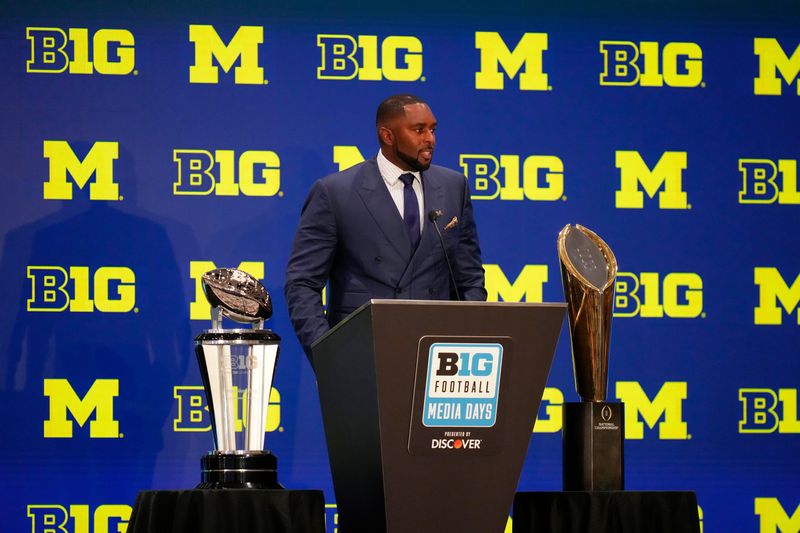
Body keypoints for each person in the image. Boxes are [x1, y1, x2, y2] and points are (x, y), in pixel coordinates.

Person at [285, 94, 486, 359]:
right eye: (419, 130)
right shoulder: (336, 193)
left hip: (438, 360)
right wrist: (327, 356)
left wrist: (466, 345)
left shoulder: (454, 186)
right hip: (362, 357)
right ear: (387, 136)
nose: (430, 139)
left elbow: (469, 278)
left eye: (433, 129)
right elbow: (302, 284)